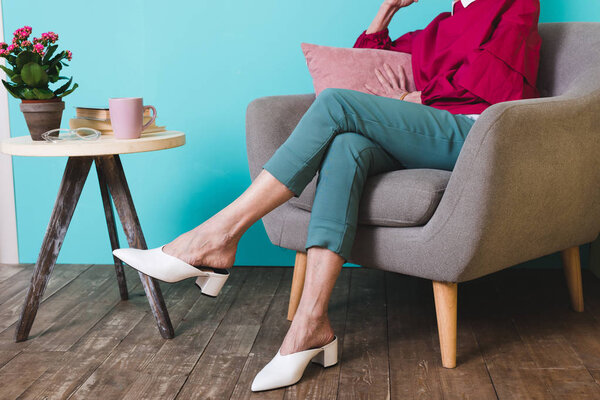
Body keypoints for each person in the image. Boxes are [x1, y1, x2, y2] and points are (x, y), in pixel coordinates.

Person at [113, 0, 542, 392]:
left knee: (338, 104)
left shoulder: (514, 4)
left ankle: (215, 238)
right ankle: (311, 324)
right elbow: (371, 53)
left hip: (477, 131)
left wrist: (418, 97)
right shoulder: (439, 27)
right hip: (426, 131)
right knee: (346, 147)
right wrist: (387, 10)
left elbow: (499, 84)